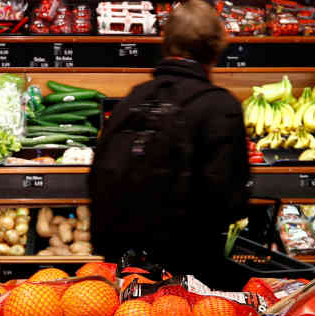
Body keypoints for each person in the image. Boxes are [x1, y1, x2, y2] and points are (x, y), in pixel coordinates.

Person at [89, 0, 251, 276]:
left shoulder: (133, 99)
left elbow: (97, 178)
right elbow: (231, 199)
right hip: (189, 273)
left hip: (126, 269)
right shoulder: (221, 107)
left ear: (166, 43)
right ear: (215, 51)